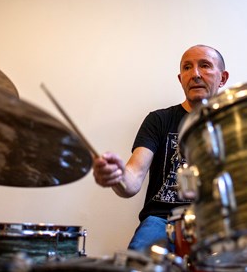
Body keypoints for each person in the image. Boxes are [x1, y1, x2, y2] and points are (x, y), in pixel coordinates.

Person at [92, 44, 229, 252]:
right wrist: (117, 176)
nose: (195, 74)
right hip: (162, 221)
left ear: (223, 78)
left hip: (217, 221)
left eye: (205, 65)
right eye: (187, 67)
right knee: (139, 262)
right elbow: (133, 178)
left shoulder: (233, 123)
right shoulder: (159, 120)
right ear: (180, 78)